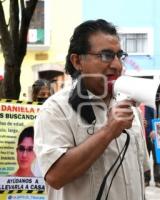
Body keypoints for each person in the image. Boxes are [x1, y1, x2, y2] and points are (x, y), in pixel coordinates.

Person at [34, 19, 149, 200]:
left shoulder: (130, 110)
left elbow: (139, 175)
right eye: (106, 55)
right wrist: (108, 132)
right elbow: (55, 176)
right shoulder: (55, 110)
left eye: (120, 55)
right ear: (77, 61)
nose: (117, 65)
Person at [143, 105, 160, 188]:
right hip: (146, 136)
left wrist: (156, 131)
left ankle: (157, 180)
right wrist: (149, 132)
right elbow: (146, 120)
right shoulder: (146, 105)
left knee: (157, 159)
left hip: (157, 135)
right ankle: (146, 180)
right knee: (146, 159)